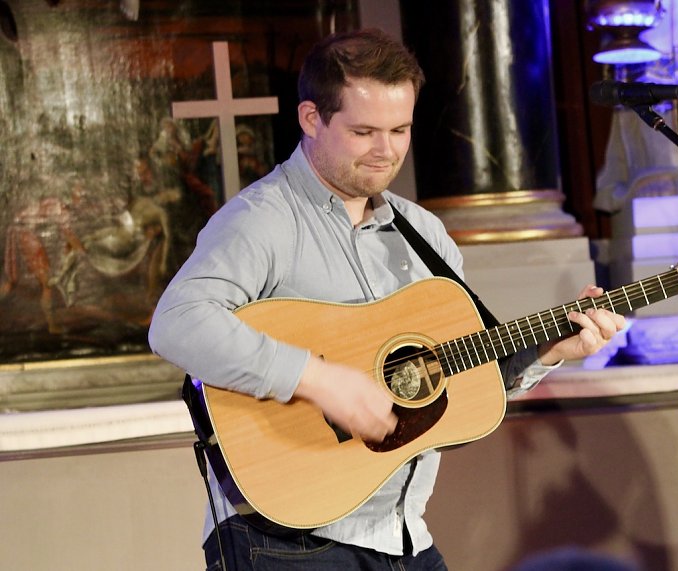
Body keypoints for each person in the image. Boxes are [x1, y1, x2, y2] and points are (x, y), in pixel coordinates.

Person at [148, 28, 626, 570]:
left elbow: (458, 372)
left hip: (402, 536)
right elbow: (177, 322)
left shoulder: (424, 233)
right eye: (364, 131)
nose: (386, 151)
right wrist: (320, 380)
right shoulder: (262, 221)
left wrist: (548, 352)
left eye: (400, 129)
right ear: (311, 120)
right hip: (288, 541)